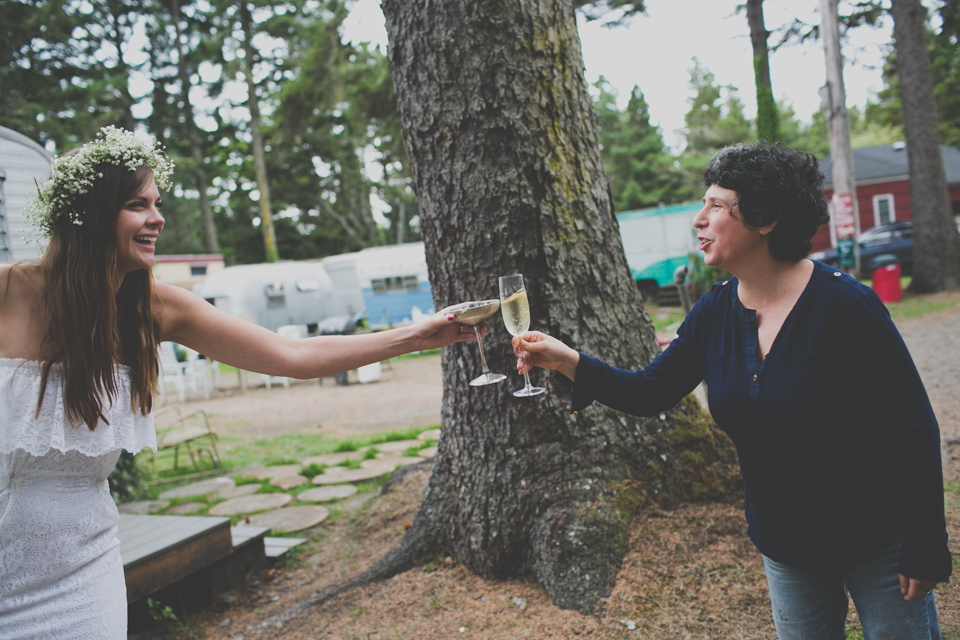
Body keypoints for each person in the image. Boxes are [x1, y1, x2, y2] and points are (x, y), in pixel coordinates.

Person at [0, 126, 478, 639]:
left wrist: (415, 336)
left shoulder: (157, 308)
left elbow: (291, 354)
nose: (157, 219)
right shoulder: (8, 290)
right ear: (90, 214)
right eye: (138, 205)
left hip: (79, 579)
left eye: (157, 204)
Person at [512, 142, 951, 639]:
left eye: (716, 206)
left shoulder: (847, 307)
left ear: (766, 219)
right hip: (787, 549)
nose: (699, 219)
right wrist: (565, 359)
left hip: (877, 539)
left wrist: (925, 542)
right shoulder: (712, 314)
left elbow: (912, 424)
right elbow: (649, 392)